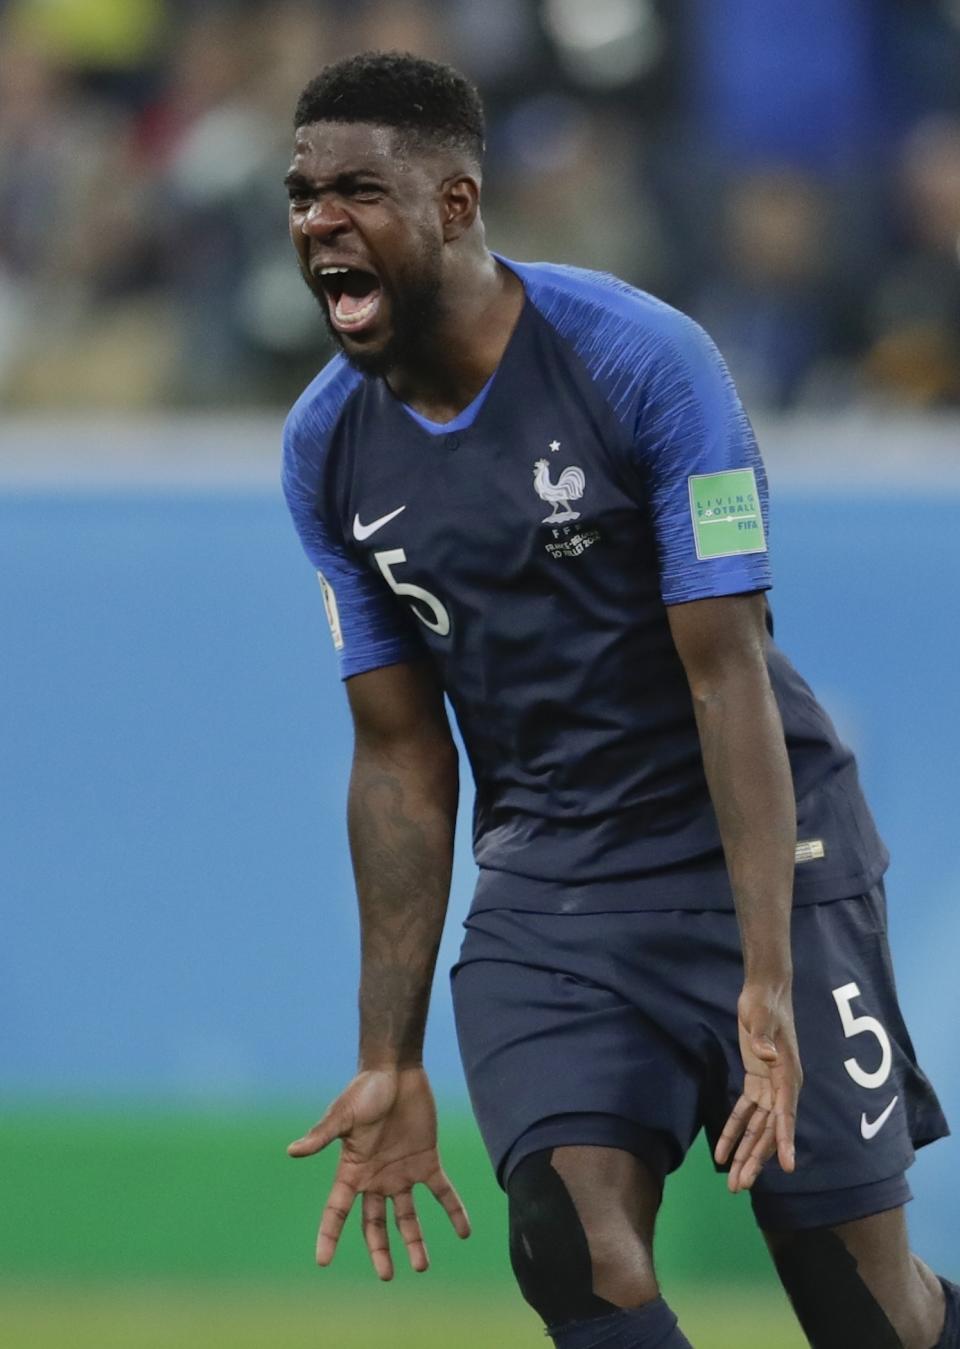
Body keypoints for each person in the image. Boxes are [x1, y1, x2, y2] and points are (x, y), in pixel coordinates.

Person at [279, 51, 958, 1349]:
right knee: (572, 1245)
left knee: (865, 1312)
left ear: (459, 206)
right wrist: (391, 1051)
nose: (318, 220)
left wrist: (767, 976)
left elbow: (727, 669)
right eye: (302, 193)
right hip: (559, 886)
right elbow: (401, 753)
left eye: (357, 189)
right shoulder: (328, 447)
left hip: (765, 852)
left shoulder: (642, 363)